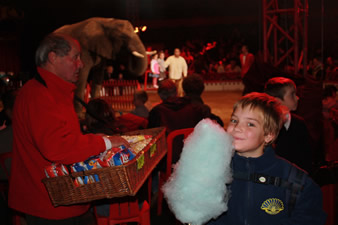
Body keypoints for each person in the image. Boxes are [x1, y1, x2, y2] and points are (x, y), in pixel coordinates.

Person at [8, 33, 129, 225]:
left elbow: (63, 137)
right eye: (75, 57)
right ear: (53, 57)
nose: (80, 64)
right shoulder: (38, 95)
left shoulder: (53, 90)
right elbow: (58, 148)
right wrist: (104, 142)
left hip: (64, 200)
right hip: (50, 205)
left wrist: (91, 139)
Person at [207, 92, 326, 225]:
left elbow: (309, 218)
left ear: (268, 135)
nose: (237, 128)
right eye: (234, 120)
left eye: (250, 124)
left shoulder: (296, 182)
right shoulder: (213, 171)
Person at [148, 79, 209, 164]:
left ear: (160, 95)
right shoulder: (194, 108)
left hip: (168, 161)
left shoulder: (157, 112)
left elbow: (151, 136)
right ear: (176, 92)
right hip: (192, 157)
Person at [264, 77, 313, 174]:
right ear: (277, 101)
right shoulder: (266, 126)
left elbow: (307, 157)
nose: (297, 98)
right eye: (292, 94)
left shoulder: (299, 123)